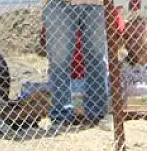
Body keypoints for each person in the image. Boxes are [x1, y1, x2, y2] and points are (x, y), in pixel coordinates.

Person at [42, 0, 109, 128]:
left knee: (97, 59)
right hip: (60, 3)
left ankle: (97, 114)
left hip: (94, 3)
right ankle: (62, 116)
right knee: (59, 62)